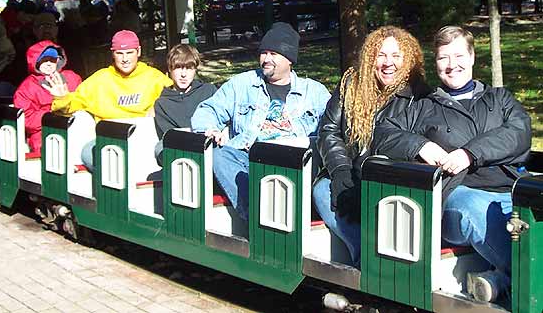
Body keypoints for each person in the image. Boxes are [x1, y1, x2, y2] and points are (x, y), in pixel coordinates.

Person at [372, 26, 531, 303]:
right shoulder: (423, 106)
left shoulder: (499, 99)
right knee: (475, 209)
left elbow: (520, 132)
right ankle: (532, 280)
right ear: (436, 64)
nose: (451, 65)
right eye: (443, 58)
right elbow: (383, 133)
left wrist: (470, 153)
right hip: (457, 196)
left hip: (510, 189)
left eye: (458, 56)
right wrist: (420, 145)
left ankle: (500, 278)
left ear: (471, 58)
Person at [313, 26, 428, 266]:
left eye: (396, 56)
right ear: (369, 58)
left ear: (407, 59)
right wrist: (341, 172)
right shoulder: (350, 84)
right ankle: (364, 260)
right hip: (345, 170)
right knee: (323, 192)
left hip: (386, 180)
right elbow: (329, 131)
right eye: (381, 55)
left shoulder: (420, 96)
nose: (389, 63)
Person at [191, 22, 330, 220]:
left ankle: (289, 209)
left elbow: (333, 127)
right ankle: (257, 217)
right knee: (218, 155)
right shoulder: (242, 84)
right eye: (263, 53)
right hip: (250, 162)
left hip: (295, 164)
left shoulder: (314, 92)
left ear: (290, 59)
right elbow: (208, 109)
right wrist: (209, 128)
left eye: (273, 54)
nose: (266, 59)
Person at [43, 30, 173, 170]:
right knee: (89, 152)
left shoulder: (155, 78)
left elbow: (176, 100)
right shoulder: (99, 80)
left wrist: (158, 107)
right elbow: (71, 106)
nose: (125, 59)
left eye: (130, 53)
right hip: (109, 142)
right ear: (112, 53)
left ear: (138, 52)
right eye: (120, 53)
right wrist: (62, 97)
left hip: (143, 141)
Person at [13, 40, 82, 153]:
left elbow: (83, 100)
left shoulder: (72, 77)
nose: (49, 64)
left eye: (53, 60)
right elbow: (26, 120)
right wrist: (53, 112)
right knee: (49, 147)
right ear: (36, 62)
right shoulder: (27, 87)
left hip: (74, 122)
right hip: (43, 130)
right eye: (44, 60)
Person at [153, 44, 217, 165]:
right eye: (178, 68)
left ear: (195, 69)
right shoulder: (162, 103)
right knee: (161, 148)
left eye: (189, 68)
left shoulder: (209, 91)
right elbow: (169, 135)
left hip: (210, 143)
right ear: (170, 70)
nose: (183, 74)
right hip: (180, 148)